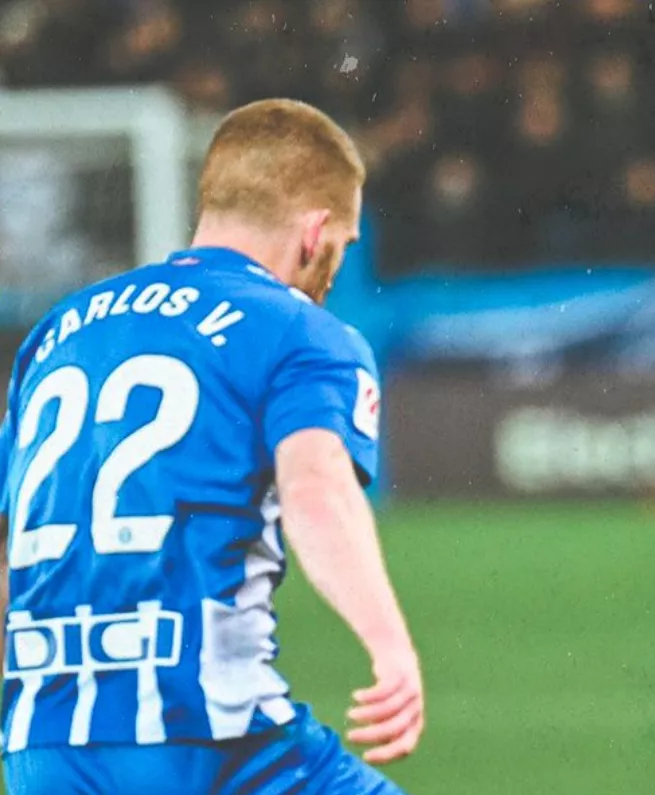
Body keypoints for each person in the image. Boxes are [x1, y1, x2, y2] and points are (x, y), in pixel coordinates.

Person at [0, 98, 423, 794]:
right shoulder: (300, 332)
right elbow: (317, 488)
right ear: (315, 232)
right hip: (213, 738)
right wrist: (390, 645)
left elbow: (15, 540)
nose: (333, 270)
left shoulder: (58, 332)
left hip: (43, 745)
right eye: (343, 246)